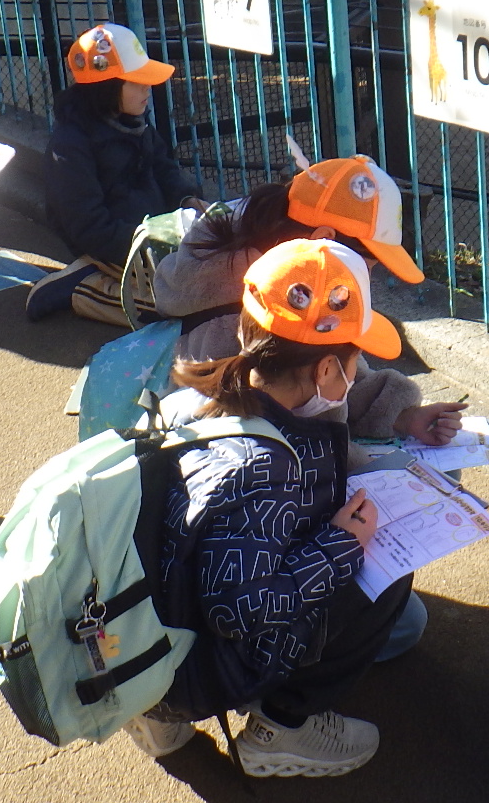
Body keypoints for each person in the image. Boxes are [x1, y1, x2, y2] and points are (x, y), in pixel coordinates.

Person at [122, 238, 412, 777]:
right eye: (354, 363)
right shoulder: (267, 467)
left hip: (138, 637)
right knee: (386, 574)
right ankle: (283, 726)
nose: (355, 375)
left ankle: (151, 710)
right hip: (198, 667)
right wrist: (339, 546)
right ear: (326, 371)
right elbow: (237, 610)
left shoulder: (195, 399)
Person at [149, 153, 465, 445]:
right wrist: (361, 460)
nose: (366, 280)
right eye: (367, 266)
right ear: (325, 239)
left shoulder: (286, 285)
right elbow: (307, 433)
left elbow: (333, 372)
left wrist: (403, 415)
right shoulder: (265, 311)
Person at [33, 22, 204, 325]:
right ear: (107, 88)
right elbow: (87, 226)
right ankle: (79, 287)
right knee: (182, 309)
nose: (147, 88)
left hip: (155, 234)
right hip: (113, 246)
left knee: (215, 287)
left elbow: (164, 169)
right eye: (136, 82)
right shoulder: (69, 145)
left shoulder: (134, 121)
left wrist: (187, 200)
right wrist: (146, 248)